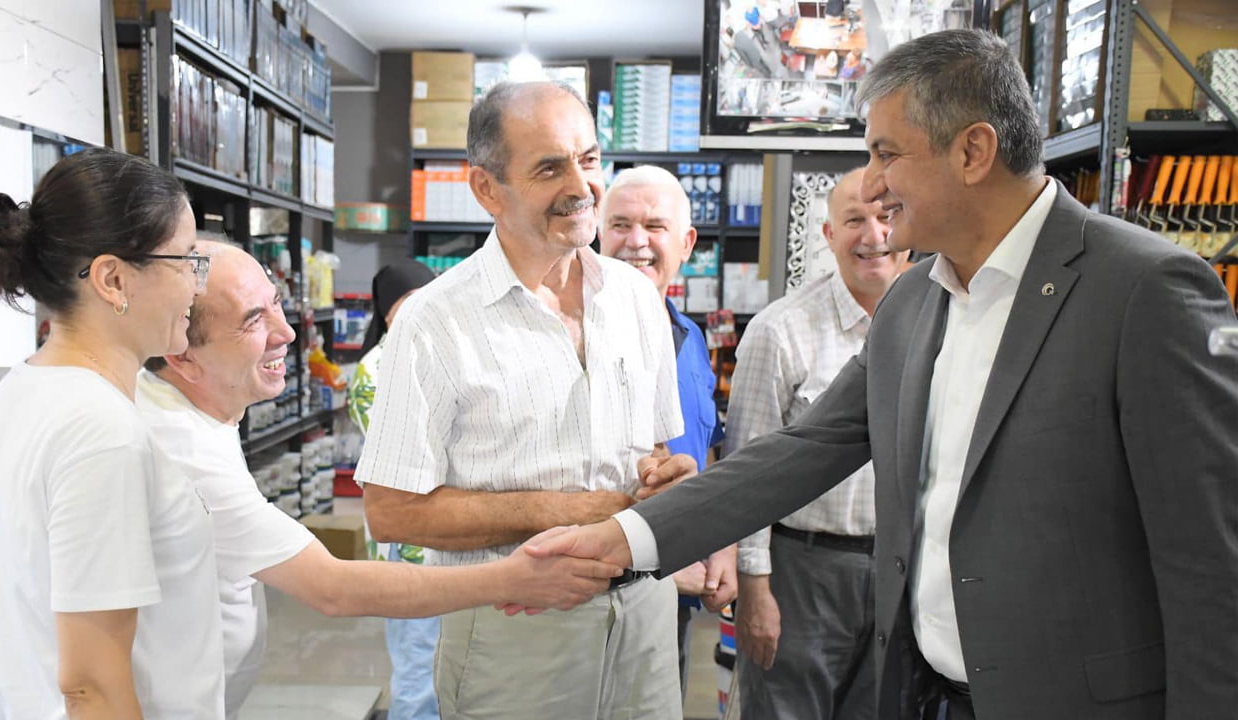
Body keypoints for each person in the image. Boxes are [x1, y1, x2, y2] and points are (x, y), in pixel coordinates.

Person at [526, 29, 1238, 720]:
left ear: (973, 151)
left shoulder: (1145, 290)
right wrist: (628, 537)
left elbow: (1213, 567)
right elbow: (803, 451)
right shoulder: (916, 301)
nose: (871, 184)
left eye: (885, 154)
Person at [137, 241, 622, 718]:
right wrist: (515, 578)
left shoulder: (191, 417)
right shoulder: (184, 451)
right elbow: (333, 588)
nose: (286, 332)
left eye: (276, 304)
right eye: (252, 321)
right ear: (181, 354)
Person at [355, 80, 695, 720]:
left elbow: (653, 449)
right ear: (486, 188)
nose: (581, 185)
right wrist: (568, 511)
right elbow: (393, 511)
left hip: (646, 620)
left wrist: (663, 474)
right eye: (549, 167)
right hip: (514, 630)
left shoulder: (635, 299)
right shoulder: (434, 323)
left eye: (590, 159)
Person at [0, 147, 226, 718]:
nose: (196, 287)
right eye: (186, 261)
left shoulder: (24, 388)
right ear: (112, 278)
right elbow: (91, 686)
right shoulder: (100, 432)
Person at [729, 166, 905, 720]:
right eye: (854, 219)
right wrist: (754, 591)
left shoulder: (942, 322)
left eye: (885, 216)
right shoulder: (780, 330)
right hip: (802, 573)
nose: (873, 234)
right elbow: (746, 477)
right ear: (828, 235)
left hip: (902, 570)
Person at [597, 164, 737, 695]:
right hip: (599, 597)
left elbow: (707, 451)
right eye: (620, 224)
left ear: (687, 242)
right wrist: (654, 562)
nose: (637, 241)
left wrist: (721, 544)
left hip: (675, 596)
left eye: (655, 226)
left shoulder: (690, 337)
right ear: (597, 233)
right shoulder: (570, 340)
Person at [347, 259, 440, 720]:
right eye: (409, 303)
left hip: (453, 541)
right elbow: (411, 457)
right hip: (411, 546)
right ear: (387, 313)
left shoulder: (441, 352)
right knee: (418, 669)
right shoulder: (375, 369)